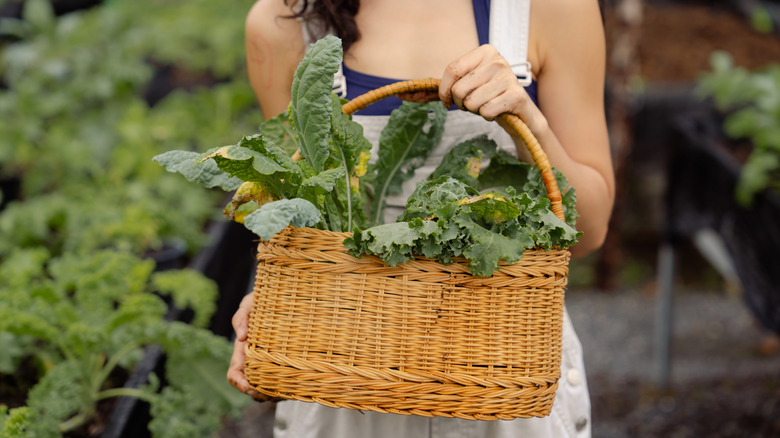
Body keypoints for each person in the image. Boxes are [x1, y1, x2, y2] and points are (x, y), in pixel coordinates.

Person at [228, 0, 615, 437]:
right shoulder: (284, 21)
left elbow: (591, 231)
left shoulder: (552, 8)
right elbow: (290, 220)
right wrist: (270, 309)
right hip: (345, 385)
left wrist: (530, 123)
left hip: (505, 379)